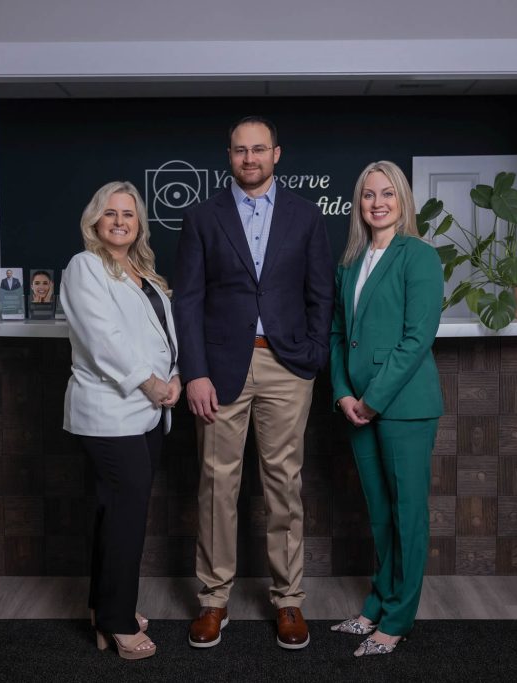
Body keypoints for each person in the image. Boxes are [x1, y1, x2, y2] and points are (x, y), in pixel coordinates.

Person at [173, 116, 334, 650]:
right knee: (217, 484)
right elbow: (188, 300)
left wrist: (310, 357)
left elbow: (321, 294)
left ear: (277, 154)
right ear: (229, 156)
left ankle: (289, 600)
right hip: (219, 372)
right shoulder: (201, 217)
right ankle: (214, 601)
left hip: (287, 368)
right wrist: (194, 371)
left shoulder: (307, 217)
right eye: (240, 150)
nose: (249, 158)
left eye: (258, 149)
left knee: (284, 485)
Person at [60, 181, 181, 661]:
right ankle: (118, 621)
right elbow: (101, 338)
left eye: (128, 214)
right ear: (95, 220)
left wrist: (174, 375)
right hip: (110, 414)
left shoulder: (143, 271)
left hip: (148, 413)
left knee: (116, 514)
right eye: (110, 212)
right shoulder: (85, 265)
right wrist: (150, 383)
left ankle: (102, 610)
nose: (119, 221)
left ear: (139, 224)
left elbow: (163, 337)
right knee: (127, 517)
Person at [328, 160, 444, 656]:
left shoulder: (418, 256)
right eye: (368, 195)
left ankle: (397, 619)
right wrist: (342, 393)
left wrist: (372, 400)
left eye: (387, 194)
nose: (377, 203)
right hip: (357, 407)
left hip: (403, 406)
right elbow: (339, 336)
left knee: (407, 515)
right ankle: (377, 603)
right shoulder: (351, 261)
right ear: (359, 204)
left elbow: (417, 338)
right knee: (380, 514)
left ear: (402, 201)